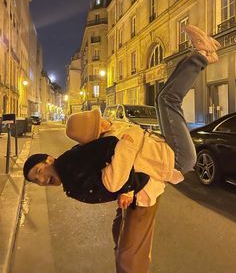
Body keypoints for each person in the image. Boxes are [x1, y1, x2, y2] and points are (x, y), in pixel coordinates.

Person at [23, 25, 220, 273]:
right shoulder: (102, 144)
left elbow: (120, 167)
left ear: (49, 159)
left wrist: (126, 188)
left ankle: (202, 54)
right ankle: (202, 55)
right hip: (174, 159)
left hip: (174, 158)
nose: (42, 179)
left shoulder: (103, 141)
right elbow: (121, 164)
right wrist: (127, 187)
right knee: (166, 100)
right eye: (37, 179)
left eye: (39, 171)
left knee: (165, 100)